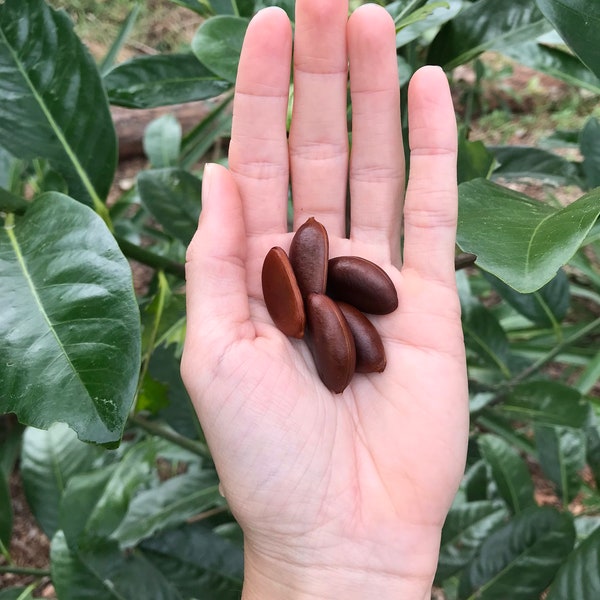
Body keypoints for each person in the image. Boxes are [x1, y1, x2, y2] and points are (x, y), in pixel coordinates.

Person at [181, 0, 469, 597]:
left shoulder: (321, 302)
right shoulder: (312, 303)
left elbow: (327, 310)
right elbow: (316, 309)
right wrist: (320, 563)